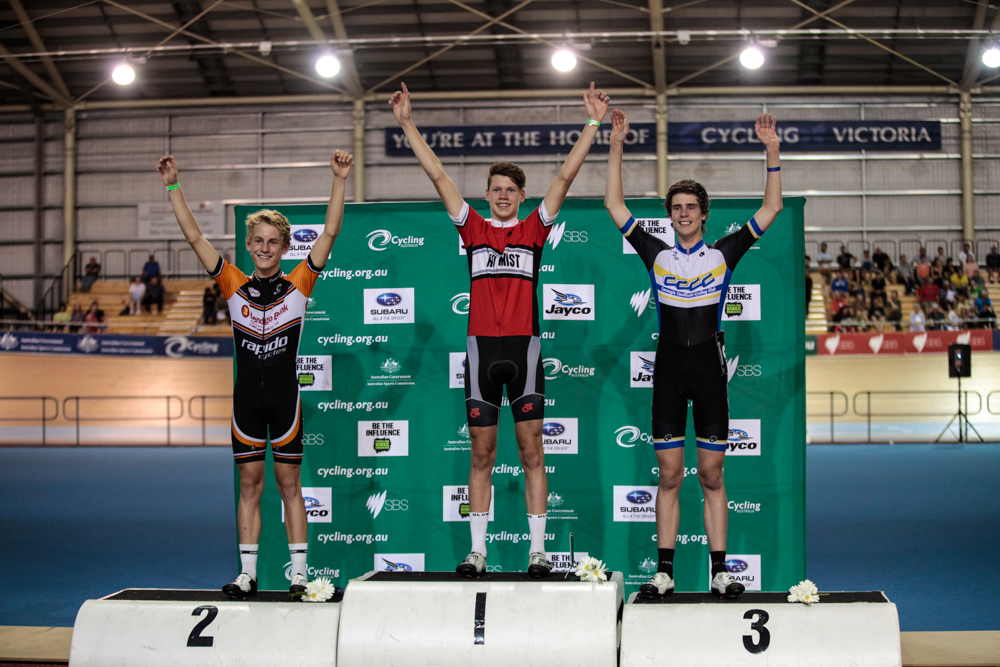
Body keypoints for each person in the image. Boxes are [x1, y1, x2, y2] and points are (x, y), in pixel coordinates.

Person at [390, 81, 609, 578]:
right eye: (496, 190)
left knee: (533, 451)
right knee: (481, 454)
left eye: (512, 191)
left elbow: (566, 176)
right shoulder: (472, 228)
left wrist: (593, 123)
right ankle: (478, 552)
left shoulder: (536, 228)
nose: (504, 196)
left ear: (522, 197)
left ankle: (537, 552)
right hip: (481, 353)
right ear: (487, 195)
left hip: (525, 352)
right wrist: (406, 123)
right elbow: (439, 175)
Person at [157, 149, 353, 599]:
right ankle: (247, 574)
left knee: (290, 486)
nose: (264, 249)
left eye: (273, 242)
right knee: (249, 485)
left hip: (286, 401)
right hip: (245, 401)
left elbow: (331, 232)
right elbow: (193, 237)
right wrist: (173, 186)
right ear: (248, 245)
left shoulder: (301, 282)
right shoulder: (232, 284)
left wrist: (339, 180)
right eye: (257, 241)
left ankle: (299, 575)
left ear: (285, 248)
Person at [605, 108, 782, 599]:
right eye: (676, 207)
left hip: (707, 369)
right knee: (667, 474)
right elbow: (614, 204)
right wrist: (616, 141)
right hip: (668, 371)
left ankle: (720, 572)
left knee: (710, 473)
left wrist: (771, 152)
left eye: (691, 207)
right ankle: (664, 571)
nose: (683, 213)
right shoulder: (655, 253)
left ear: (704, 214)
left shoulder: (723, 252)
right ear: (669, 214)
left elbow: (769, 211)